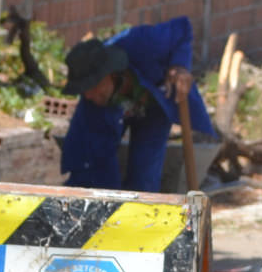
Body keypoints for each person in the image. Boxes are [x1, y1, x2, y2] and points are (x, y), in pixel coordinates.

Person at [60, 17, 215, 192]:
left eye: (92, 86)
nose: (87, 95)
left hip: (155, 104)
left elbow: (182, 27)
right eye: (83, 90)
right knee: (95, 170)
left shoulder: (144, 43)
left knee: (145, 178)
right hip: (112, 113)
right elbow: (92, 166)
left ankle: (144, 215)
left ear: (110, 73)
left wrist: (179, 65)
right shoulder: (93, 104)